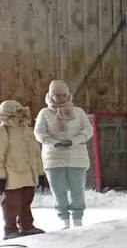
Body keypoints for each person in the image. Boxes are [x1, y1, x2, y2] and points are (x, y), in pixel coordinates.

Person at [33, 80, 93, 229]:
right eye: (56, 95)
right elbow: (38, 132)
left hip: (76, 157)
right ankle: (64, 220)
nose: (60, 98)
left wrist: (74, 141)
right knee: (58, 191)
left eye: (63, 94)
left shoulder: (79, 112)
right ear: (50, 96)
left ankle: (78, 220)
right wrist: (53, 142)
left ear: (68, 95)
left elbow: (87, 130)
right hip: (53, 158)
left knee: (78, 190)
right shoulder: (44, 113)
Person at [0, 100, 46, 239]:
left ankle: (27, 226)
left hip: (28, 173)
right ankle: (10, 230)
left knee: (26, 199)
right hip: (12, 173)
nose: (20, 115)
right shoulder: (3, 130)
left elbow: (35, 153)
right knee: (12, 202)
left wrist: (40, 173)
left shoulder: (27, 129)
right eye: (16, 112)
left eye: (21, 111)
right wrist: (1, 176)